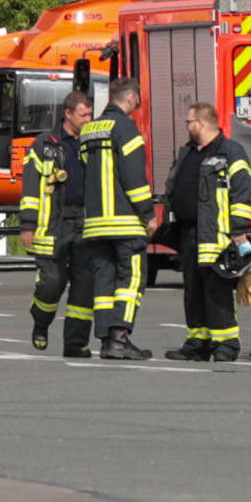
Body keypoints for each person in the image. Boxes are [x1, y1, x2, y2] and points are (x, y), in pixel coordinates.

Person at [162, 106, 251, 363]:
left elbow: (241, 192)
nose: (186, 125)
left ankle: (225, 345)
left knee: (217, 292)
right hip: (188, 233)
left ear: (202, 124)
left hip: (217, 236)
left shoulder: (230, 152)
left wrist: (238, 229)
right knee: (193, 291)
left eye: (189, 121)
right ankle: (197, 343)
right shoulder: (188, 152)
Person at [69, 81, 155, 361]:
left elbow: (85, 171)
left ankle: (107, 339)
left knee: (104, 283)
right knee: (131, 280)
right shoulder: (127, 129)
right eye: (136, 101)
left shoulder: (89, 129)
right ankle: (120, 337)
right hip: (125, 222)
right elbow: (133, 177)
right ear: (130, 98)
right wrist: (148, 213)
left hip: (95, 222)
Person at [17, 92, 77, 351]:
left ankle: (76, 342)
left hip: (83, 223)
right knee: (53, 283)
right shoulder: (44, 145)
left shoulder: (91, 142)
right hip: (51, 225)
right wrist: (28, 224)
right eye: (84, 114)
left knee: (84, 287)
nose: (89, 119)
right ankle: (41, 322)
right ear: (69, 113)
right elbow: (30, 187)